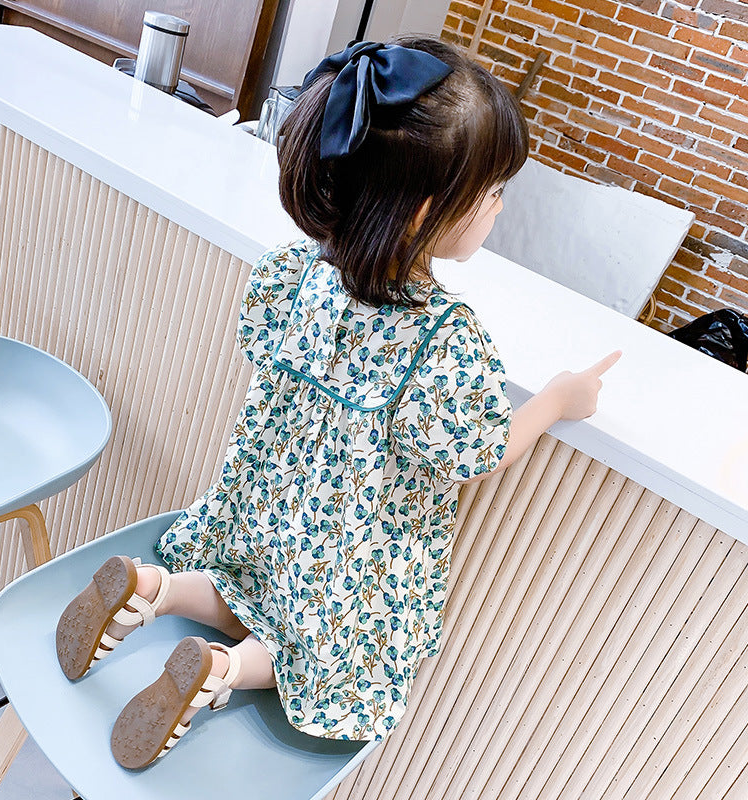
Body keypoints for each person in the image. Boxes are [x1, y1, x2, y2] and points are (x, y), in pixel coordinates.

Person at [55, 35, 621, 770]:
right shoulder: (442, 338)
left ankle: (152, 589)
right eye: (491, 194)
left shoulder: (296, 273)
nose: (499, 207)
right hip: (350, 550)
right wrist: (555, 401)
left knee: (245, 585)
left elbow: (262, 347)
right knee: (326, 647)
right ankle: (222, 672)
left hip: (264, 510)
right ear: (424, 212)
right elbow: (476, 451)